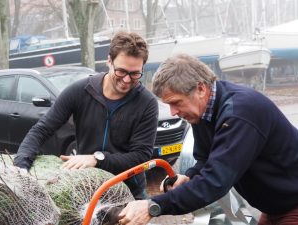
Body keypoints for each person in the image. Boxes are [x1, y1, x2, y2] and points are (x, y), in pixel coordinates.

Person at [118, 53, 298, 225]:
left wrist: (153, 206)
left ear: (201, 89)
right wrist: (189, 177)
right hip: (278, 207)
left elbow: (215, 181)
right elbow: (206, 160)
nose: (173, 112)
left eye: (176, 102)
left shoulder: (239, 114)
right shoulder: (203, 112)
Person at [14, 31, 159, 200]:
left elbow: (140, 155)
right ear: (109, 61)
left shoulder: (147, 103)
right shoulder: (79, 91)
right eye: (121, 71)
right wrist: (21, 165)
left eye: (135, 74)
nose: (127, 80)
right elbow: (42, 129)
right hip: (88, 189)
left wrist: (97, 159)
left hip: (130, 192)